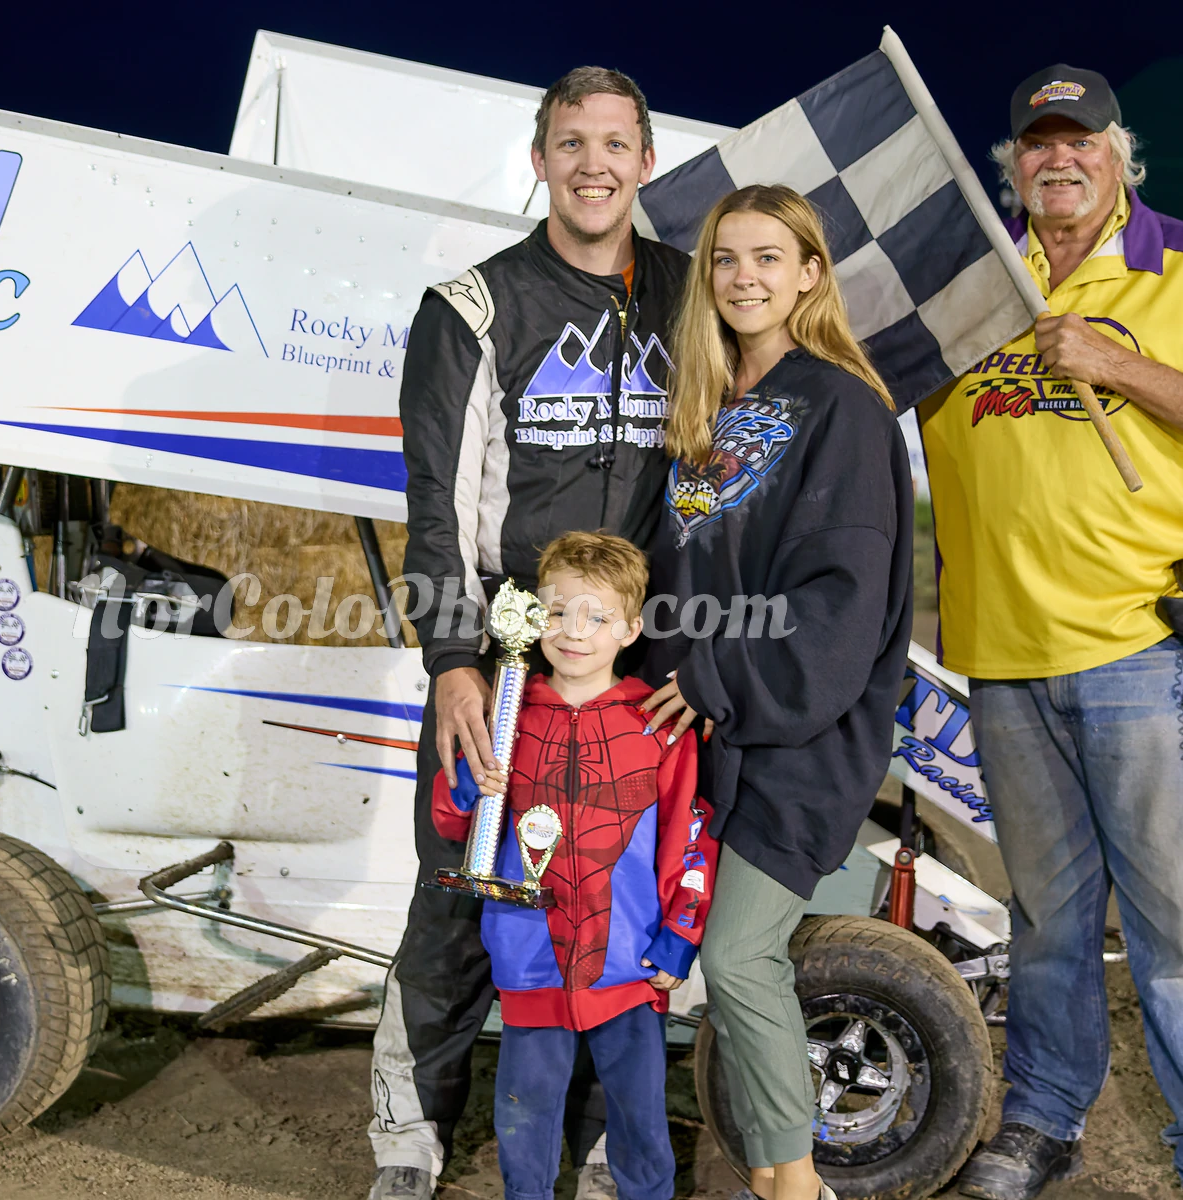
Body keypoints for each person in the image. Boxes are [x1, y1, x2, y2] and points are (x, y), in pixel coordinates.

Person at [370, 66, 689, 1200]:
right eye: (571, 144)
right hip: (509, 662)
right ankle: (410, 1138)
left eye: (615, 144)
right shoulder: (473, 306)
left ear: (646, 160)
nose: (594, 165)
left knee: (624, 891)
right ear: (541, 159)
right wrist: (454, 663)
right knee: (459, 893)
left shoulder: (693, 294)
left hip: (640, 657)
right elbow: (436, 506)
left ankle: (607, 1143)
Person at [915, 66, 1183, 1200]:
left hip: (1140, 650)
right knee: (1049, 921)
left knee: (1174, 924)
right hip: (1004, 661)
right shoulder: (971, 289)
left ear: (1120, 155)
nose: (1058, 158)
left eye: (1080, 141)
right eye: (1037, 143)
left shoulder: (1174, 268)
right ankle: (1043, 1119)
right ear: (1012, 164)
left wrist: (1114, 363)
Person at [640, 184, 914, 1200]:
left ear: (809, 275)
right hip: (695, 735)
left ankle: (793, 1185)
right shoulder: (702, 406)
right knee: (672, 950)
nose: (743, 277)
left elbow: (841, 609)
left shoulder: (844, 409)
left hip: (798, 733)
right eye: (725, 259)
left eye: (768, 258)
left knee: (740, 954)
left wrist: (715, 674)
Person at [431, 531, 716, 1200]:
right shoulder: (507, 713)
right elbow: (452, 821)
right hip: (529, 958)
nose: (574, 631)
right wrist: (469, 783)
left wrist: (680, 936)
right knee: (524, 1114)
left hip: (628, 966)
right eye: (558, 612)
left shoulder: (658, 725)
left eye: (597, 616)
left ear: (631, 629)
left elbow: (693, 839)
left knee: (640, 1120)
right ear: (533, 617)